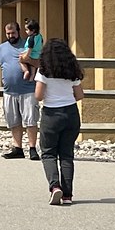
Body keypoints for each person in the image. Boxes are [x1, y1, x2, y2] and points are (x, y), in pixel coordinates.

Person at [0, 22, 40, 159]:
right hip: (9, 92)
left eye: (13, 33)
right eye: (8, 34)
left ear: (19, 32)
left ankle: (33, 148)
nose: (11, 36)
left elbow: (40, 63)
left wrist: (28, 59)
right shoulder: (1, 49)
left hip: (28, 90)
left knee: (31, 120)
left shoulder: (29, 44)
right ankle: (18, 148)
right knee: (14, 121)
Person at [35, 38, 84, 205]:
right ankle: (68, 195)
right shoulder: (72, 71)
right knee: (66, 155)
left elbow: (39, 96)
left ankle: (55, 186)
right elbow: (79, 95)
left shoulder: (44, 71)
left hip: (51, 114)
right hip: (71, 113)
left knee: (48, 153)